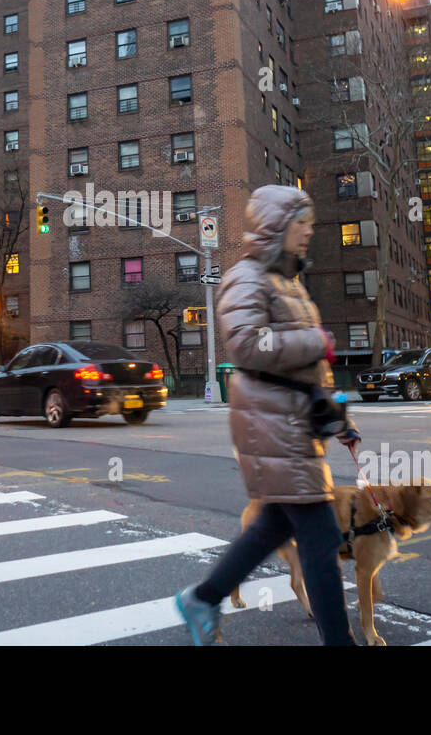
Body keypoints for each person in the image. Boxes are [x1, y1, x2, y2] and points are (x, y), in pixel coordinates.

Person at [175, 185, 361, 645]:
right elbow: (245, 344)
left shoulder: (288, 281)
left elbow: (308, 363)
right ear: (278, 226)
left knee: (273, 526)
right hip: (269, 423)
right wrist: (316, 342)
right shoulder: (247, 277)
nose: (310, 231)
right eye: (303, 223)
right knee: (319, 539)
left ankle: (204, 596)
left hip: (294, 421)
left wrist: (339, 417)